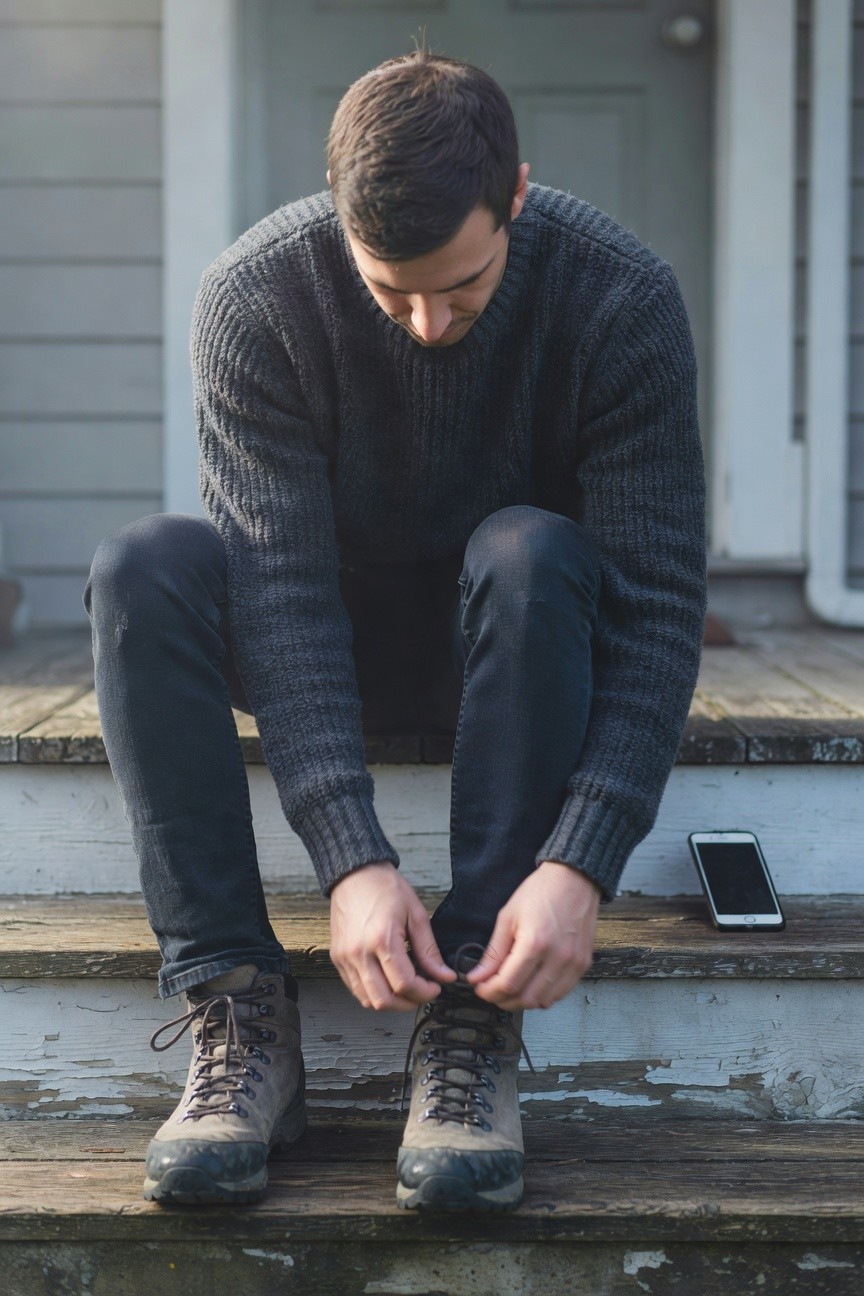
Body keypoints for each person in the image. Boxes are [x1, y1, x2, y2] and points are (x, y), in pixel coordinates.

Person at [83, 46, 707, 1213]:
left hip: (518, 642)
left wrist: (581, 860)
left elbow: (659, 606)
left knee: (534, 548)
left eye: (461, 286)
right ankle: (234, 1003)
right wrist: (352, 860)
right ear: (338, 218)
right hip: (317, 641)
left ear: (515, 195)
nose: (425, 323)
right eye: (389, 291)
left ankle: (473, 1013)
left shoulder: (620, 298)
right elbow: (277, 588)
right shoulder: (256, 297)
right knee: (144, 567)